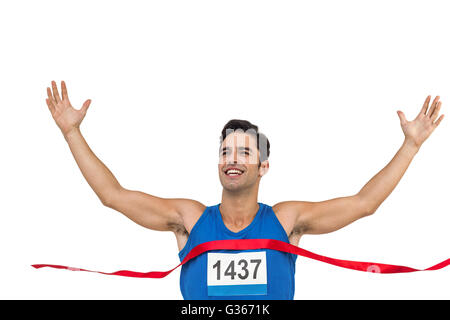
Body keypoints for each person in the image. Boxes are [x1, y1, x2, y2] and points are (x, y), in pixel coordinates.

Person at [45, 80, 444, 299]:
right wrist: (72, 134)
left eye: (243, 151)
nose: (232, 158)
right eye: (224, 151)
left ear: (263, 165)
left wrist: (410, 145)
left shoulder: (288, 220)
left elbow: (364, 203)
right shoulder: (189, 219)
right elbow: (113, 196)